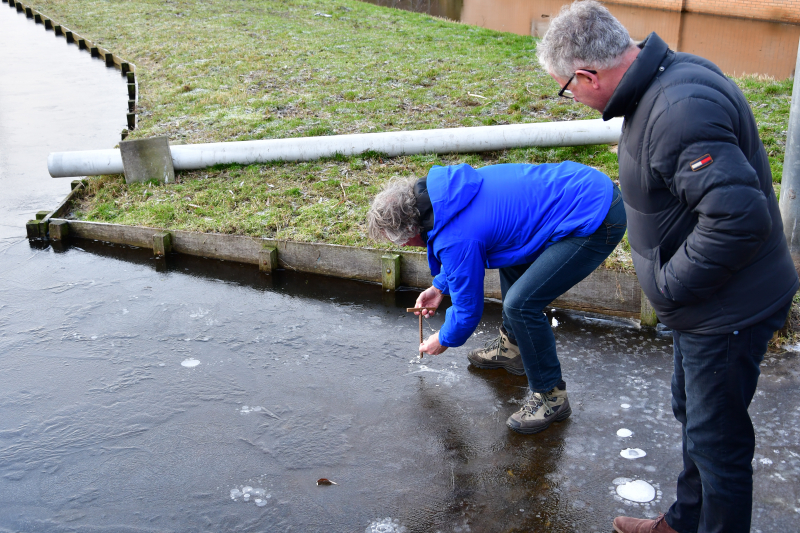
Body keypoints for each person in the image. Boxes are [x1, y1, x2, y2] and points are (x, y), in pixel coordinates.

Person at [536, 2, 799, 533]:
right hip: (707, 305)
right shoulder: (666, 80)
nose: (575, 99)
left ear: (587, 74)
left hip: (725, 309)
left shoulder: (677, 109)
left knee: (717, 443)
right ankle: (683, 523)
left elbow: (738, 217)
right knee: (696, 419)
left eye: (567, 88)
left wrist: (672, 287)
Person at [367, 161, 626, 434]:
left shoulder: (457, 237)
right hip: (581, 187)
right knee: (510, 251)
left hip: (596, 216)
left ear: (411, 230)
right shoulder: (445, 196)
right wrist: (440, 287)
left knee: (521, 305)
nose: (403, 246)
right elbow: (469, 247)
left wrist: (443, 339)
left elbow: (468, 310)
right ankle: (513, 347)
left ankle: (552, 398)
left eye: (398, 242)